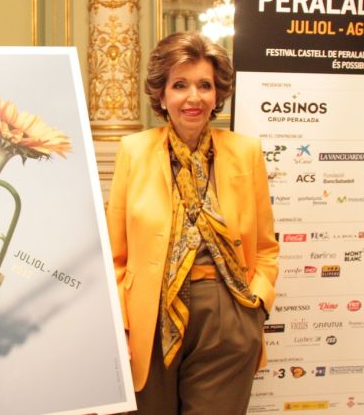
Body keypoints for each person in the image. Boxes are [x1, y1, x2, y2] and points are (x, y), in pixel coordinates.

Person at [107, 31, 278, 415]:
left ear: (217, 94)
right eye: (180, 85)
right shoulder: (133, 151)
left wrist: (257, 303)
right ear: (162, 95)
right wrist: (123, 324)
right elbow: (116, 254)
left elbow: (266, 246)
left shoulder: (245, 152)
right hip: (150, 312)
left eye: (205, 85)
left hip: (227, 310)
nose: (194, 97)